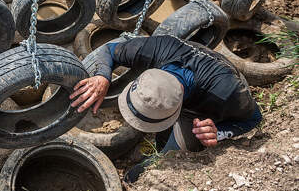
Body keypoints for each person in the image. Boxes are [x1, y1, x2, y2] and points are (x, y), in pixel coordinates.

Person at [69, 35, 262, 182]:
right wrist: (103, 76)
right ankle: (157, 142)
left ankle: (139, 173)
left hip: (203, 108)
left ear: (175, 111)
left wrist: (218, 132)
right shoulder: (158, 48)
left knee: (170, 156)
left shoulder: (226, 93)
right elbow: (109, 50)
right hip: (191, 88)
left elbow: (254, 118)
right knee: (162, 137)